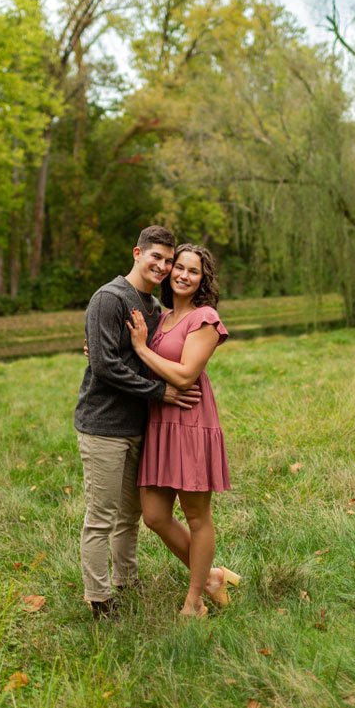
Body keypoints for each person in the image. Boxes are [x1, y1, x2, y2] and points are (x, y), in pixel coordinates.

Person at [75, 226, 202, 620]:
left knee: (130, 515)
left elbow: (157, 354)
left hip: (140, 428)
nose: (164, 267)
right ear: (137, 253)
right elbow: (106, 365)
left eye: (169, 261)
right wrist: (160, 393)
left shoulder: (154, 309)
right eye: (157, 258)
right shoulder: (109, 298)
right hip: (103, 425)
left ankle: (126, 581)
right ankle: (98, 599)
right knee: (101, 516)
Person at [126, 243, 239, 618]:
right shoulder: (163, 316)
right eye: (179, 267)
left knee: (196, 516)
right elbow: (146, 364)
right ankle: (212, 577)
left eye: (194, 271)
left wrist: (141, 349)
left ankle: (195, 600)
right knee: (155, 515)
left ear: (203, 280)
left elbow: (186, 374)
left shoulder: (204, 318)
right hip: (160, 421)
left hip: (190, 422)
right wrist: (104, 351)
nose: (183, 275)